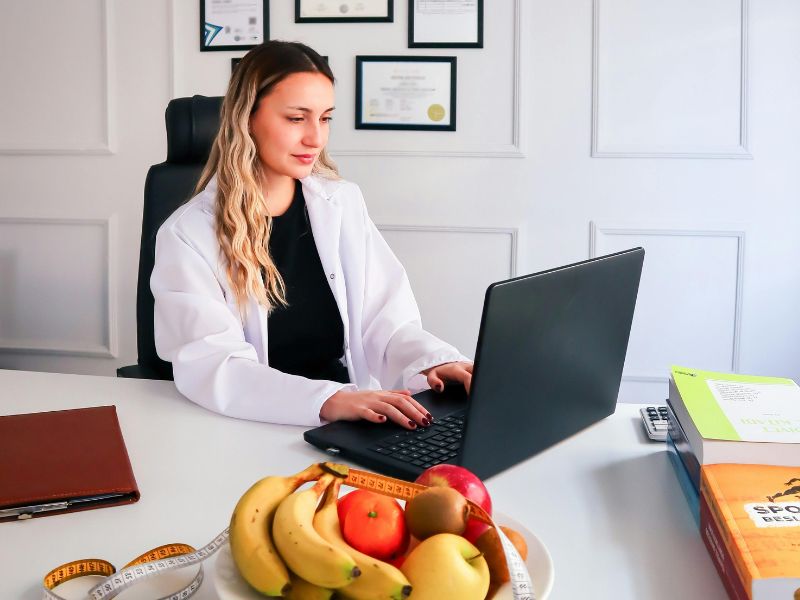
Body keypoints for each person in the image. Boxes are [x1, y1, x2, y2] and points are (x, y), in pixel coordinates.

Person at [151, 41, 472, 430]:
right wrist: (330, 400)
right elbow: (216, 366)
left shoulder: (342, 203)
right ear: (246, 118)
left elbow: (385, 321)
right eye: (296, 118)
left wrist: (435, 360)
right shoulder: (188, 235)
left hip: (353, 414)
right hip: (256, 422)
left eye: (324, 118)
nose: (316, 139)